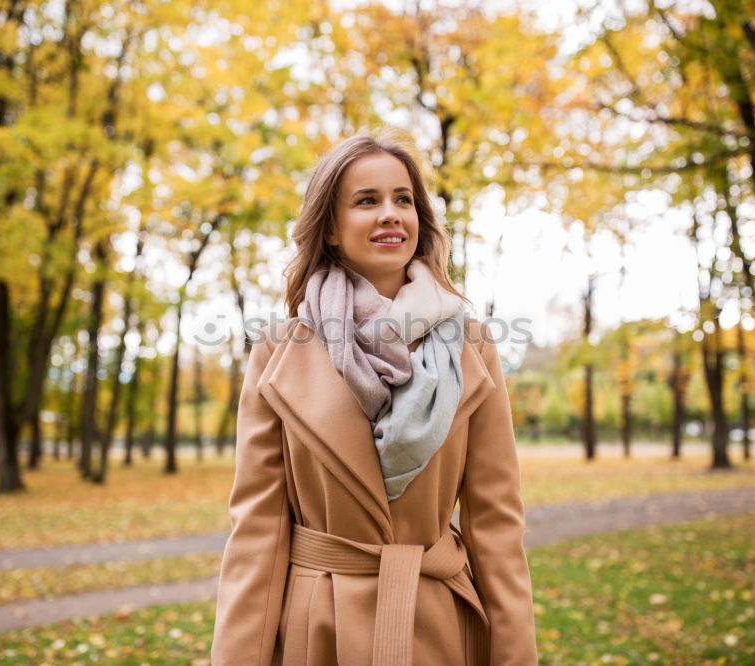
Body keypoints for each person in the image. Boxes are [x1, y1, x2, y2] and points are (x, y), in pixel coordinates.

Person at [210, 127, 538, 665]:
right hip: (320, 630)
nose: (390, 214)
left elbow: (497, 526)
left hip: (436, 626)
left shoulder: (472, 347)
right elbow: (257, 533)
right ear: (332, 229)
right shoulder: (280, 350)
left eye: (403, 200)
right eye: (367, 201)